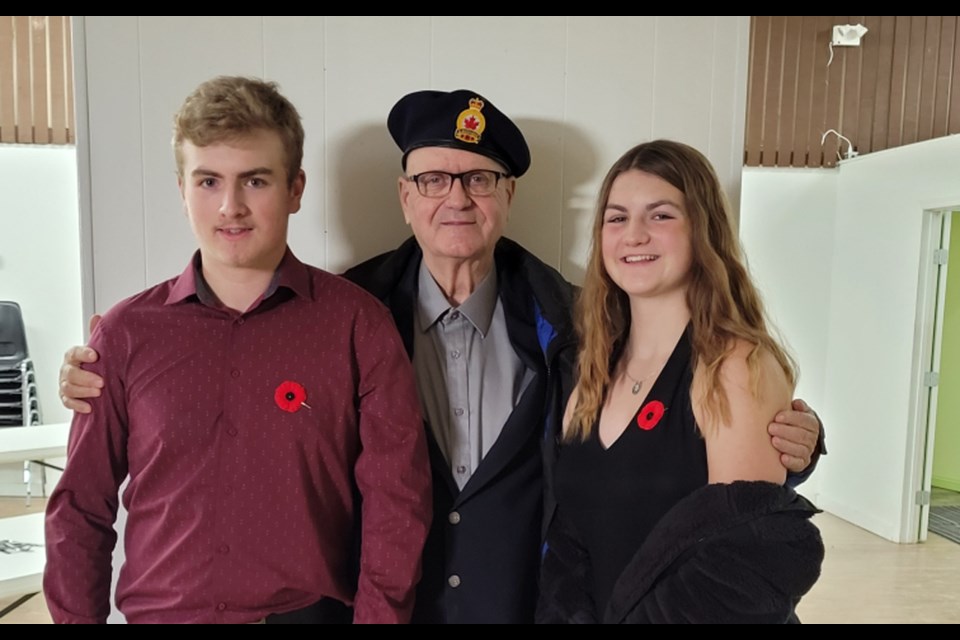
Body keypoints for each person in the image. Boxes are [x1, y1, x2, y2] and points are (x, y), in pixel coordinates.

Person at [57, 89, 825, 624]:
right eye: (432, 178)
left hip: (525, 609)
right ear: (403, 196)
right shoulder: (344, 319)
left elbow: (675, 436)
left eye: (479, 178)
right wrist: (107, 366)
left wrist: (797, 442)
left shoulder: (576, 326)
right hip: (389, 610)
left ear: (508, 195)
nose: (456, 196)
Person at [43, 76, 432, 624]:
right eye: (208, 181)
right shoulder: (125, 334)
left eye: (254, 180)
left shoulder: (358, 325)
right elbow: (79, 510)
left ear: (295, 189)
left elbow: (399, 504)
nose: (230, 207)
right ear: (182, 190)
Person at [535, 140, 824, 624]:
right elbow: (573, 544)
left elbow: (740, 567)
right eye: (617, 217)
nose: (634, 235)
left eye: (661, 216)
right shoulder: (589, 370)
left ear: (702, 230)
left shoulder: (735, 365)